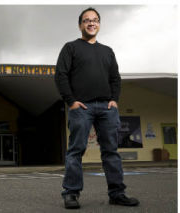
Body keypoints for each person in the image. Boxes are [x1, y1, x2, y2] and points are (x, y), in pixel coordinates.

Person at [54, 7, 139, 209]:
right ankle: (71, 194)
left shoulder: (107, 51)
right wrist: (72, 101)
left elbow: (115, 78)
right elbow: (61, 75)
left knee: (111, 151)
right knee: (76, 150)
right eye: (86, 20)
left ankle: (117, 193)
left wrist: (114, 100)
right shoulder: (70, 48)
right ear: (80, 25)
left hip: (107, 108)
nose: (91, 23)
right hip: (81, 107)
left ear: (99, 24)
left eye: (95, 20)